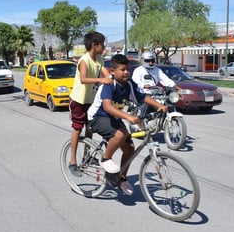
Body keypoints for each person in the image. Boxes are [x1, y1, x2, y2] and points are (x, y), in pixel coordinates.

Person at [87, 54, 168, 196]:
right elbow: (107, 107)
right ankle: (105, 159)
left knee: (130, 148)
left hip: (113, 118)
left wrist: (159, 105)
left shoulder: (129, 84)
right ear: (112, 71)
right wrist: (128, 117)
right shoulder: (109, 84)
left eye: (127, 70)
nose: (126, 72)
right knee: (121, 134)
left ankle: (121, 179)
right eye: (122, 69)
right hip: (97, 117)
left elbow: (143, 96)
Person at [69, 31, 112, 177]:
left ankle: (87, 156)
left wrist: (116, 79)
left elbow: (107, 74)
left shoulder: (99, 60)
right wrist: (101, 80)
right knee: (77, 129)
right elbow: (83, 79)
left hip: (91, 100)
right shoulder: (84, 60)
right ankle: (72, 161)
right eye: (103, 44)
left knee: (91, 128)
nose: (104, 47)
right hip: (79, 101)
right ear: (94, 45)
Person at [131, 52, 180, 130]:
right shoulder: (138, 70)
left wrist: (174, 86)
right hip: (142, 93)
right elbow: (135, 83)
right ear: (143, 60)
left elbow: (165, 79)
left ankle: (159, 119)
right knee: (146, 102)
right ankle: (142, 121)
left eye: (152, 60)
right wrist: (143, 86)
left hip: (154, 92)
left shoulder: (157, 70)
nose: (150, 62)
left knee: (166, 101)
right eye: (148, 61)